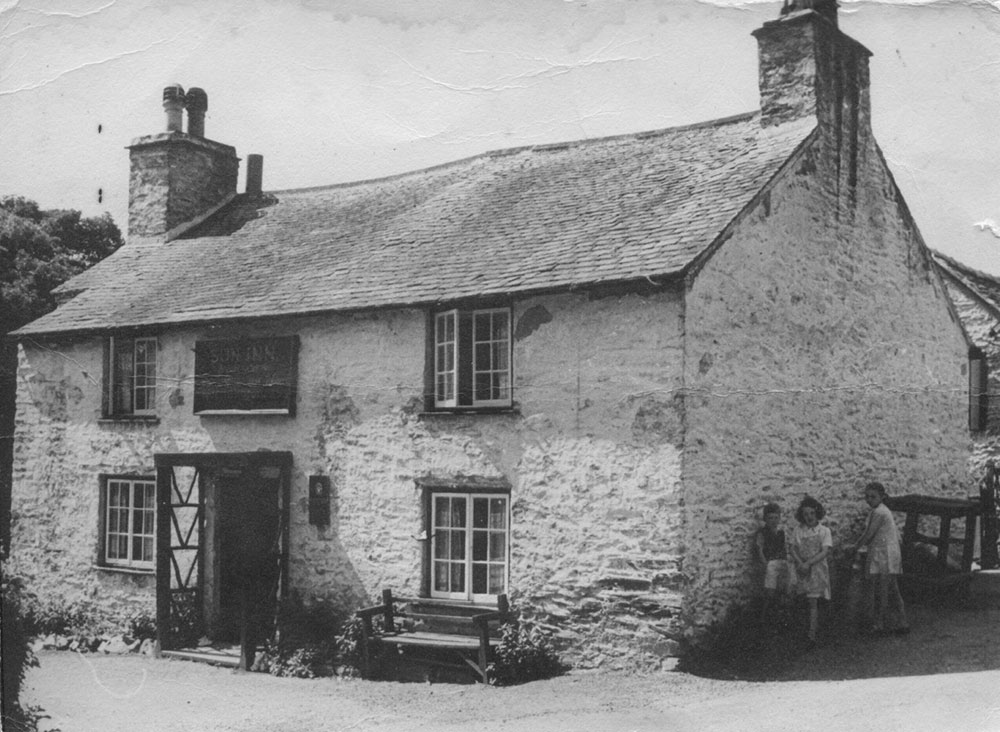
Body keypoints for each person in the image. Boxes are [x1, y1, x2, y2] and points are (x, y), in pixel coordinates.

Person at [846, 481, 910, 636]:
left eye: (873, 497)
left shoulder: (880, 512)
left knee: (883, 590)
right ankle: (902, 621)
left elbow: (869, 533)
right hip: (882, 551)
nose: (869, 500)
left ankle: (880, 624)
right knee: (892, 589)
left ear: (882, 497)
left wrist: (854, 547)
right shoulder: (877, 511)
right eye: (867, 496)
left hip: (885, 553)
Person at [788, 496, 832, 645]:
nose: (809, 517)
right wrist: (801, 563)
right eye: (805, 514)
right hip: (801, 569)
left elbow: (824, 551)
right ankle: (802, 630)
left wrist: (809, 563)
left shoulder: (824, 531)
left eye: (812, 513)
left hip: (816, 568)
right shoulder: (798, 530)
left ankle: (811, 634)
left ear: (817, 513)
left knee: (813, 600)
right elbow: (792, 548)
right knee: (802, 599)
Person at [754, 502, 790, 625]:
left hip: (782, 562)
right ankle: (763, 619)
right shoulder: (762, 533)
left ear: (779, 518)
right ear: (765, 519)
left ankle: (782, 618)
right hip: (770, 564)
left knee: (784, 590)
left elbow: (785, 549)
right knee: (770, 593)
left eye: (776, 518)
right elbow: (760, 550)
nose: (773, 521)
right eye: (770, 518)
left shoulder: (781, 533)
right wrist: (766, 565)